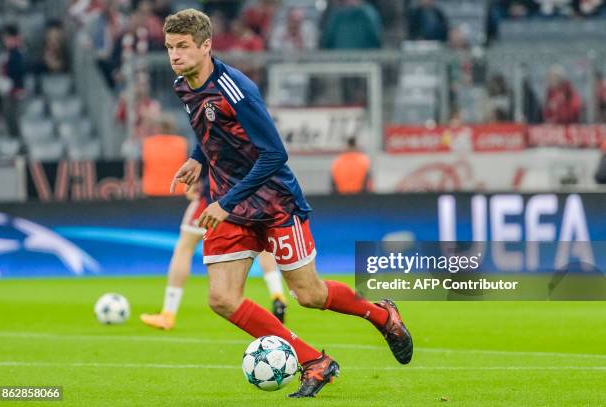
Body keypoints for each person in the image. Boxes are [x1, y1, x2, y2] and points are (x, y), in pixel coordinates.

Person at [163, 9, 413, 398]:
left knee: (309, 295)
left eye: (182, 47)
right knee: (222, 298)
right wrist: (198, 158)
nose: (174, 55)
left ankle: (383, 316)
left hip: (274, 202)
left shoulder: (236, 89)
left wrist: (226, 201)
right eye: (169, 47)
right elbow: (207, 127)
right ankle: (315, 361)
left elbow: (274, 154)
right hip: (232, 206)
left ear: (206, 46)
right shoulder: (184, 85)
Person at [140, 168, 288, 330]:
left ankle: (168, 313)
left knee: (185, 247)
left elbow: (208, 153)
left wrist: (195, 181)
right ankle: (278, 294)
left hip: (213, 197)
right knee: (263, 246)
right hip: (250, 197)